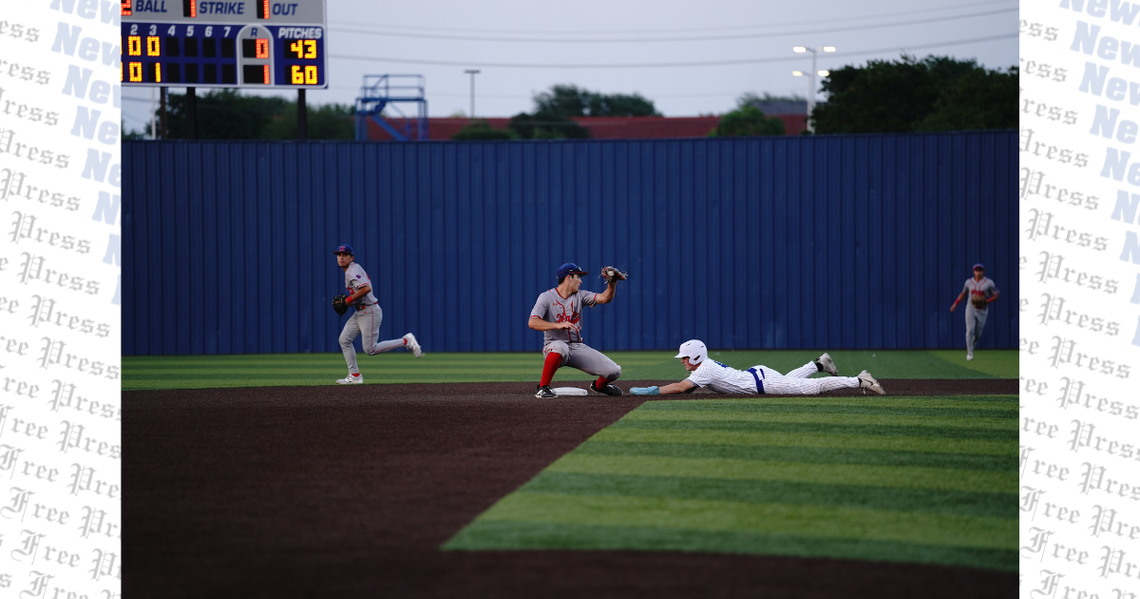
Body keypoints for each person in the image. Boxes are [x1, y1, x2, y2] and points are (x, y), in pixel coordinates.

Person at [630, 339, 885, 396]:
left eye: (685, 357)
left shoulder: (703, 369)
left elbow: (681, 388)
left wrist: (653, 390)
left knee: (809, 389)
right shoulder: (703, 366)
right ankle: (818, 364)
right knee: (791, 382)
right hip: (758, 375)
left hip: (762, 382)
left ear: (696, 356)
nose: (682, 361)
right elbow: (687, 384)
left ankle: (859, 380)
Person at [529, 263, 624, 398]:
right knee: (560, 347)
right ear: (569, 278)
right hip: (553, 346)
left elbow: (604, 298)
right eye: (578, 277)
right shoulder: (546, 297)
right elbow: (532, 322)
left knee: (614, 371)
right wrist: (558, 325)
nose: (580, 281)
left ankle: (599, 386)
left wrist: (612, 284)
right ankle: (543, 388)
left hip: (576, 346)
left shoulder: (581, 295)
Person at [333, 244, 422, 384]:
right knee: (344, 340)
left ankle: (406, 341)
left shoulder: (352, 269)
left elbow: (366, 289)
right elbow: (360, 295)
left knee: (370, 349)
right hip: (360, 311)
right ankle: (355, 375)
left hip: (369, 311)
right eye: (339, 255)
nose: (341, 257)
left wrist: (348, 300)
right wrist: (347, 303)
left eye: (345, 255)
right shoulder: (350, 270)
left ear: (352, 257)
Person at [950, 263, 999, 361]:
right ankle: (970, 353)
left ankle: (973, 342)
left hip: (982, 310)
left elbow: (996, 294)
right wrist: (955, 304)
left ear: (983, 272)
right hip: (970, 308)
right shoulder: (968, 282)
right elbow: (963, 293)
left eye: (980, 270)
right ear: (973, 272)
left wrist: (987, 301)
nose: (978, 272)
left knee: (977, 333)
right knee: (970, 330)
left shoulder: (989, 283)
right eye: (976, 270)